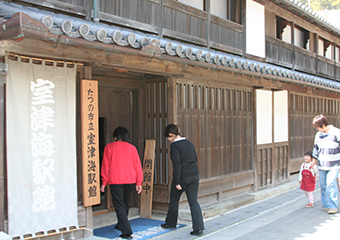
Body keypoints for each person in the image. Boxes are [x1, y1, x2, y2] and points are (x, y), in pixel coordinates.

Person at [161, 124, 205, 236]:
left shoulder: (175, 146)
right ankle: (198, 228)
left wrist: (177, 181)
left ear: (171, 135)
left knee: (174, 199)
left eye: (168, 138)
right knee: (193, 202)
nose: (168, 140)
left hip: (183, 177)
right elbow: (195, 158)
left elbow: (177, 164)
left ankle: (171, 223)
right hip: (194, 175)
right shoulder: (189, 143)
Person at [100, 126, 143, 239]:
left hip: (115, 180)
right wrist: (139, 182)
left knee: (119, 205)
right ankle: (121, 224)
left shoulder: (109, 147)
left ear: (115, 137)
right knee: (125, 203)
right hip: (130, 180)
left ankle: (126, 230)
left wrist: (104, 183)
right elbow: (138, 166)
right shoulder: (132, 148)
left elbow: (106, 166)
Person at [312, 115, 340, 214]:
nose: (317, 129)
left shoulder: (336, 133)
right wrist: (313, 160)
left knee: (331, 184)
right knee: (323, 185)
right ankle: (326, 205)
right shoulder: (318, 135)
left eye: (318, 127)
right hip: (322, 164)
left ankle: (333, 206)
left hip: (334, 164)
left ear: (323, 125)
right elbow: (316, 148)